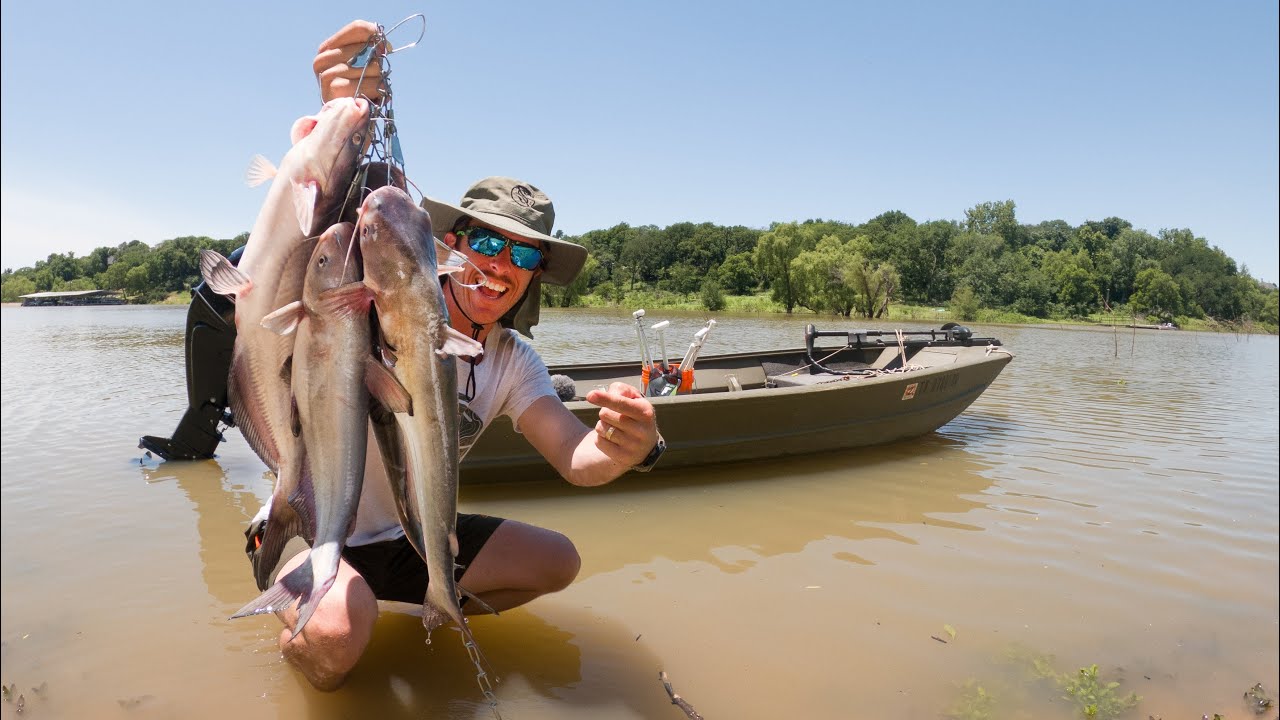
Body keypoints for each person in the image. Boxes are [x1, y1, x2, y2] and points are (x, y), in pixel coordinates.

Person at [256, 19, 666, 691]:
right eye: (487, 241)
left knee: (556, 560)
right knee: (335, 640)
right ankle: (320, 635)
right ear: (449, 244)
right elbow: (299, 240)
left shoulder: (514, 359)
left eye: (524, 253)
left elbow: (574, 456)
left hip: (405, 536)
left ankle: (428, 605)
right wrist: (341, 111)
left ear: (536, 275)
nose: (500, 265)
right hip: (309, 517)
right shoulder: (372, 293)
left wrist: (618, 450)